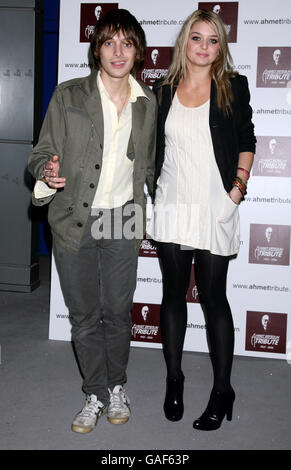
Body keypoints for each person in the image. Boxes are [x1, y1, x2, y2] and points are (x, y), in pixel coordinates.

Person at [28, 9, 156, 434]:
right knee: (84, 317)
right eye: (108, 42)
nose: (117, 51)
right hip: (73, 219)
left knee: (117, 313)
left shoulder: (147, 102)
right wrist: (47, 169)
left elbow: (150, 166)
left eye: (126, 43)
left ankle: (116, 386)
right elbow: (40, 152)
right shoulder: (69, 96)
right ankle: (95, 393)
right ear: (96, 50)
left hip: (121, 220)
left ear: (137, 50)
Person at [147, 9, 256, 430]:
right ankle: (174, 380)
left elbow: (247, 141)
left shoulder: (233, 86)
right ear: (184, 42)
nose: (204, 47)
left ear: (221, 47)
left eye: (213, 40)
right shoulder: (163, 89)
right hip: (173, 202)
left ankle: (222, 390)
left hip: (216, 204)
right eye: (197, 38)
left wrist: (235, 192)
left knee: (214, 301)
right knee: (173, 296)